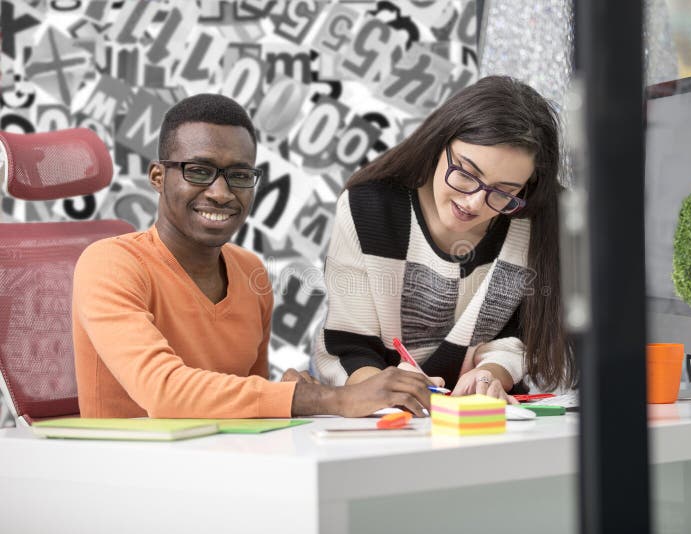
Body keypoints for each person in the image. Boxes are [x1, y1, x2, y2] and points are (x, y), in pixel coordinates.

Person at [73, 93, 432, 419]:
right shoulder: (109, 263)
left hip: (223, 464)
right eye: (198, 170)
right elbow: (164, 392)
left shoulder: (249, 271)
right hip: (127, 473)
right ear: (157, 177)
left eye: (239, 175)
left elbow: (243, 403)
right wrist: (328, 399)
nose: (221, 192)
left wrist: (288, 390)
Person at [313, 76, 577, 402]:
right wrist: (386, 389)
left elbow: (521, 336)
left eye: (504, 192)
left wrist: (490, 376)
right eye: (466, 174)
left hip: (485, 418)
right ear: (440, 143)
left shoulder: (533, 219)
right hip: (383, 418)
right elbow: (350, 344)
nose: (474, 203)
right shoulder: (369, 207)